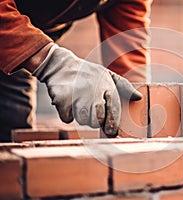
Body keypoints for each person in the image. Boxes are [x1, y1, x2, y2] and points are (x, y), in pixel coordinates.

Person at [0, 0, 152, 142]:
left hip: (22, 43)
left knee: (11, 138)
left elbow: (128, 45)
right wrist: (53, 63)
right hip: (10, 30)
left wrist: (136, 110)